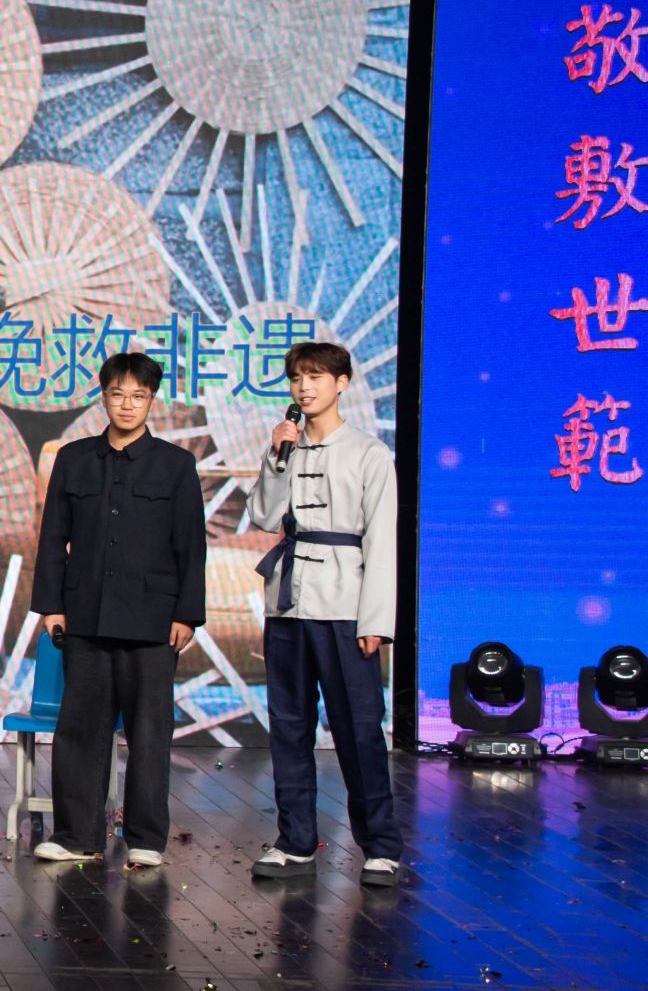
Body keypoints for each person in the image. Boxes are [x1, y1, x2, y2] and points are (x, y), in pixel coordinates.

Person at [28, 352, 205, 868]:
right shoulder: (74, 458)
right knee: (79, 730)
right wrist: (51, 605)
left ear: (152, 400)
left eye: (138, 396)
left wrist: (186, 614)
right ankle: (76, 836)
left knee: (149, 733)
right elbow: (53, 536)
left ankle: (145, 837)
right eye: (118, 394)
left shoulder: (175, 464)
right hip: (85, 615)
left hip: (153, 622)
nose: (127, 405)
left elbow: (191, 546)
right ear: (103, 397)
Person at [246, 342, 402, 887]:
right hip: (288, 604)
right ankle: (295, 841)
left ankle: (380, 848)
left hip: (345, 606)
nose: (304, 387)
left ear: (342, 383)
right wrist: (275, 458)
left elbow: (382, 540)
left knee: (359, 729)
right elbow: (264, 516)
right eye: (296, 378)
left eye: (315, 376)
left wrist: (375, 620)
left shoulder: (368, 452)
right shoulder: (286, 447)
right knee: (289, 727)